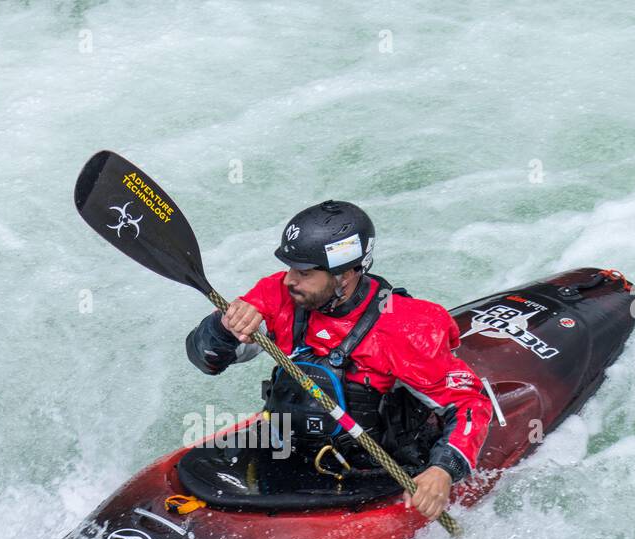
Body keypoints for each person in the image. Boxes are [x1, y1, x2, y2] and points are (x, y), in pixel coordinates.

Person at [184, 200, 492, 520]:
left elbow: (471, 403)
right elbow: (207, 361)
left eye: (303, 272)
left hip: (367, 473)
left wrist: (443, 471)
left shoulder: (407, 327)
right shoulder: (281, 294)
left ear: (345, 275)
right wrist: (223, 327)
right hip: (288, 450)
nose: (289, 279)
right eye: (290, 268)